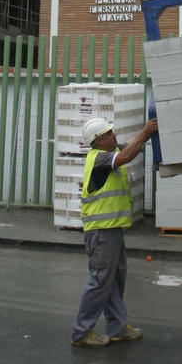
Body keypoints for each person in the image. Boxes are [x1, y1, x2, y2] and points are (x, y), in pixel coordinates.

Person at [71, 114, 158, 347]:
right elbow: (127, 155)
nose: (115, 134)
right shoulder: (100, 158)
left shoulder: (107, 152)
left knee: (115, 279)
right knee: (100, 280)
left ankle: (117, 326)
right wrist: (146, 131)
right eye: (110, 133)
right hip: (101, 232)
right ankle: (81, 332)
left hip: (112, 229)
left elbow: (129, 146)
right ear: (100, 140)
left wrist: (146, 133)